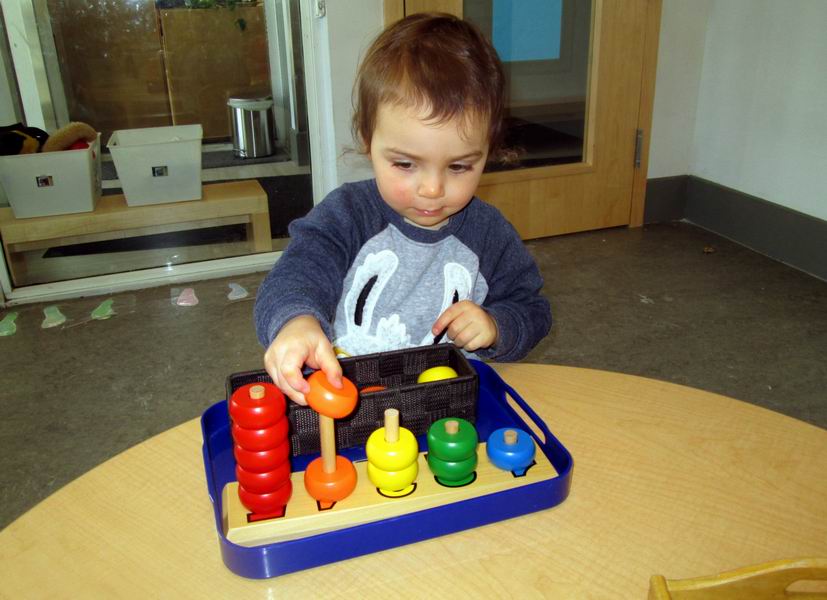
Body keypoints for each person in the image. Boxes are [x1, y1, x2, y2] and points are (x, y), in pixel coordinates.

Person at [254, 12, 551, 405]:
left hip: (449, 412)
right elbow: (295, 276)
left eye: (460, 166)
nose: (432, 189)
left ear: (487, 153)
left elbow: (532, 308)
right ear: (367, 139)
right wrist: (296, 321)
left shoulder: (489, 233)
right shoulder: (346, 215)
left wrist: (498, 326)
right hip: (350, 405)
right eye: (406, 164)